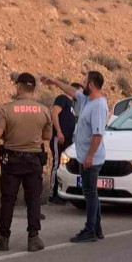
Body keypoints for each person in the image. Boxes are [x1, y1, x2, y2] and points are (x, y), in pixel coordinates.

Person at [42, 72, 109, 243]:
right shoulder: (88, 100)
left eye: (85, 82)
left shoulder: (99, 105)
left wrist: (90, 156)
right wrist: (55, 80)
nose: (82, 84)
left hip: (91, 158)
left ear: (92, 85)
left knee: (90, 193)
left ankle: (90, 230)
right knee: (91, 192)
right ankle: (97, 228)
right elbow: (72, 91)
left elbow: (98, 134)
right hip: (84, 156)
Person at [0, 73, 53, 252]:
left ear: (18, 87)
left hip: (12, 160)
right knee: (33, 200)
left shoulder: (5, 109)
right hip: (34, 160)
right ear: (33, 89)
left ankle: (3, 238)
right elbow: (47, 136)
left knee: (8, 200)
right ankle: (33, 238)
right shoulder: (43, 110)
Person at [48, 82, 78, 206]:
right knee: (56, 165)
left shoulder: (73, 107)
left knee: (63, 167)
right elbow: (54, 113)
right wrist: (59, 131)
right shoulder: (63, 99)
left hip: (68, 142)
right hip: (59, 139)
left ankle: (62, 193)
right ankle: (52, 194)